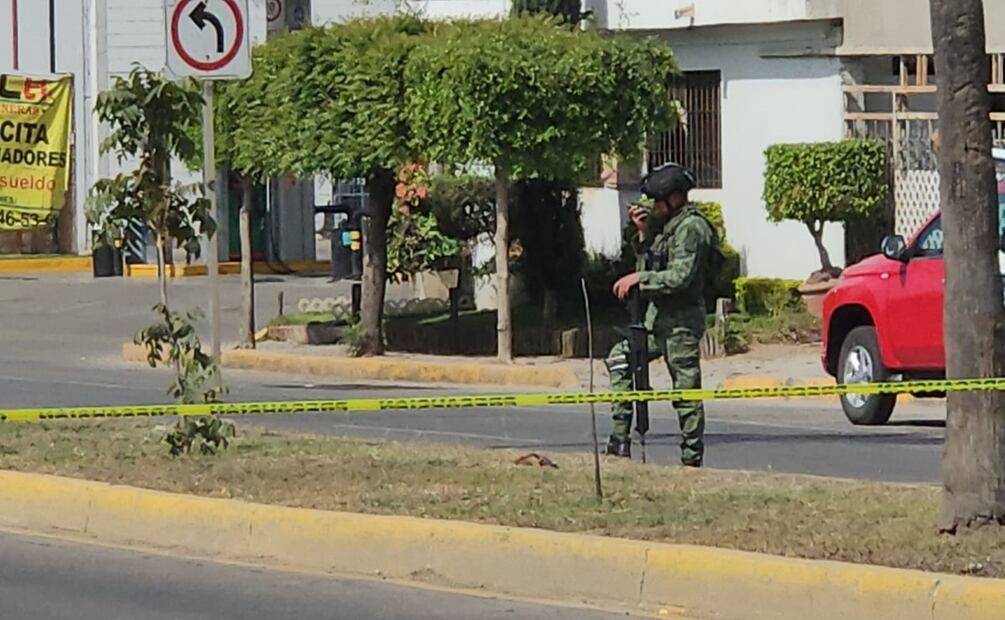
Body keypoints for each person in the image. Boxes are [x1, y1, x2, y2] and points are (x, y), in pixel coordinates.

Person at [605, 163, 719, 467]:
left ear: (675, 198)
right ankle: (619, 440)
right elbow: (651, 268)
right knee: (620, 359)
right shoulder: (667, 228)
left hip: (681, 323)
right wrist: (643, 234)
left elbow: (680, 277)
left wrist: (639, 280)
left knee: (685, 392)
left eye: (658, 201)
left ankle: (691, 459)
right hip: (656, 320)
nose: (654, 207)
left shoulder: (692, 228)